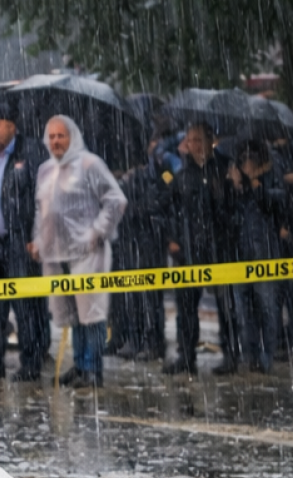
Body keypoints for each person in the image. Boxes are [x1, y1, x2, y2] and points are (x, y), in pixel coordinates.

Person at [31, 116, 127, 388]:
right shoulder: (45, 170)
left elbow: (116, 200)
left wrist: (96, 232)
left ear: (72, 137)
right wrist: (37, 240)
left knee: (91, 313)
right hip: (55, 252)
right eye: (51, 136)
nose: (55, 142)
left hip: (87, 252)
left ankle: (93, 368)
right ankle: (80, 365)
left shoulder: (90, 164)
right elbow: (41, 210)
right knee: (71, 313)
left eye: (60, 136)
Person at [0, 103, 50, 380]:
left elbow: (42, 198)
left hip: (19, 242)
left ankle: (31, 363)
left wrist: (36, 236)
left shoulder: (31, 152)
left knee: (26, 306)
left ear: (12, 126)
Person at [164, 123, 236, 376]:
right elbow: (170, 209)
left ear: (210, 141)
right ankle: (186, 356)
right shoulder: (183, 174)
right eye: (190, 140)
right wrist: (173, 239)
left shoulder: (225, 169)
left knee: (227, 306)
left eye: (198, 139)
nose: (193, 145)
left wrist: (226, 190)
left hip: (219, 248)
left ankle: (231, 355)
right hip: (188, 250)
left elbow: (232, 209)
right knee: (185, 306)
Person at [109, 139, 174, 361]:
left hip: (150, 241)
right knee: (132, 295)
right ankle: (134, 339)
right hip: (129, 241)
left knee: (150, 296)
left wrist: (137, 208)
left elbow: (162, 199)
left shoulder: (159, 171)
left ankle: (153, 342)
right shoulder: (126, 176)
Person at [228, 139, 286, 373]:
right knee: (243, 310)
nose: (244, 165)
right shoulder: (239, 187)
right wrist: (235, 187)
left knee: (267, 307)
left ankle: (266, 357)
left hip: (266, 255)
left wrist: (255, 185)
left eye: (247, 160)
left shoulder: (272, 178)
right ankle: (249, 354)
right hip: (240, 255)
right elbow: (228, 214)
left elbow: (278, 203)